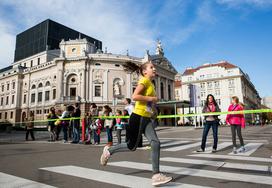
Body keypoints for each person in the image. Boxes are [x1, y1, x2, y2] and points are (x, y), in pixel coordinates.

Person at [100, 61, 172, 186]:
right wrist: (152, 99)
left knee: (155, 143)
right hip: (138, 117)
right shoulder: (144, 81)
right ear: (144, 71)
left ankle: (156, 175)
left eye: (153, 67)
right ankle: (109, 151)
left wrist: (153, 112)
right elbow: (135, 96)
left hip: (146, 118)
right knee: (131, 146)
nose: (154, 68)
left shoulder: (151, 83)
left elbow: (148, 104)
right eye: (151, 67)